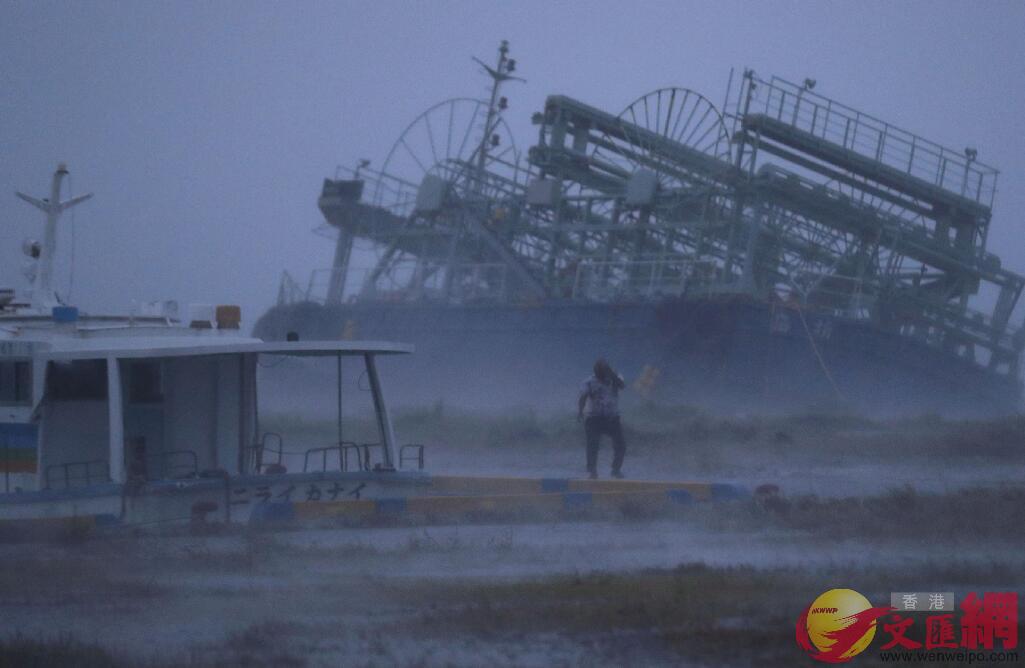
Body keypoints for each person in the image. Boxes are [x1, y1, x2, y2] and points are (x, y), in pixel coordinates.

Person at [577, 358, 627, 479]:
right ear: (595, 371)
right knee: (592, 444)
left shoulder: (615, 378)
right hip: (594, 418)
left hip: (612, 417)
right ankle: (592, 471)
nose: (601, 375)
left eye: (603, 371)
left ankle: (616, 469)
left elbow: (622, 386)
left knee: (620, 444)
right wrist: (580, 412)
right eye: (599, 372)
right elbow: (583, 397)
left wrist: (611, 374)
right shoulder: (589, 381)